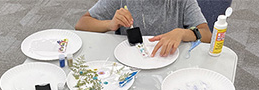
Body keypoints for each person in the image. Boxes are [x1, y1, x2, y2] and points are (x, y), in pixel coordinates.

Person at [75, 0, 211, 57]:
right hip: (129, 62)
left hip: (170, 62)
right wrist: (109, 24)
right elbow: (82, 24)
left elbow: (207, 35)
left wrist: (182, 33)